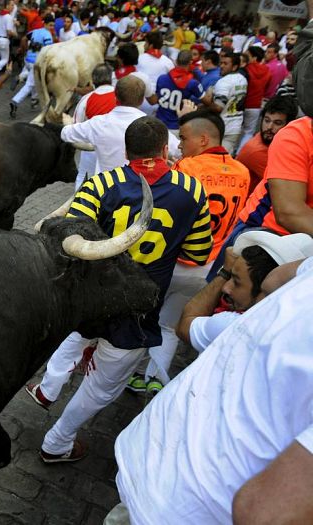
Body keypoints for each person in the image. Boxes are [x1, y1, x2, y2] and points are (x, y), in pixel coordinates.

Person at [37, 117, 211, 463]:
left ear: (126, 151)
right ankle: (57, 442)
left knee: (79, 335)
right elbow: (197, 253)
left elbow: (66, 240)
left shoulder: (101, 183)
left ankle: (48, 388)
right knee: (104, 385)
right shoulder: (193, 191)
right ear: (165, 149)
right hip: (138, 308)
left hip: (90, 299)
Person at [109, 255, 313, 525]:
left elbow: (187, 323)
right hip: (179, 501)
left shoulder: (237, 322)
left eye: (237, 283)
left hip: (142, 459)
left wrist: (223, 272)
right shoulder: (233, 322)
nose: (228, 290)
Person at [127, 109, 250, 394]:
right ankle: (153, 379)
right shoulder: (243, 172)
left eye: (183, 138)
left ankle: (128, 373)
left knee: (144, 318)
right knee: (170, 326)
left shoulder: (187, 169)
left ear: (204, 139)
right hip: (206, 266)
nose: (179, 145)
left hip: (171, 261)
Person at [176, 231, 313, 353]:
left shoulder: (232, 326)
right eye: (230, 278)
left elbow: (184, 326)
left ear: (265, 289)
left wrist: (224, 273)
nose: (226, 288)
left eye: (237, 282)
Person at [60, 75, 180, 175]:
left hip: (106, 191)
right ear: (142, 100)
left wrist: (67, 122)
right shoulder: (154, 126)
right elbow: (179, 150)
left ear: (115, 97)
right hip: (139, 192)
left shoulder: (98, 123)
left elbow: (66, 134)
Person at [67, 64, 116, 188]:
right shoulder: (120, 96)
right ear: (110, 78)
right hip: (115, 148)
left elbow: (76, 126)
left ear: (93, 81)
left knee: (83, 180)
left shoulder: (86, 99)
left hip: (90, 147)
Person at [237, 95, 298, 192]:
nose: (269, 127)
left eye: (277, 123)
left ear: (289, 126)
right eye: (267, 120)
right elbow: (289, 187)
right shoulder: (256, 151)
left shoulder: (271, 142)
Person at [199, 48, 247, 154]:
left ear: (234, 66)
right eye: (221, 63)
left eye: (226, 64)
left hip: (222, 127)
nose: (222, 66)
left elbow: (218, 107)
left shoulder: (223, 82)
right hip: (235, 126)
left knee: (213, 160)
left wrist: (204, 103)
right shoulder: (242, 79)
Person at [10, 14, 53, 119]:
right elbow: (49, 51)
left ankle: (34, 98)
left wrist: (24, 49)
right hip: (36, 62)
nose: (52, 27)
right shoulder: (48, 35)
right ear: (46, 24)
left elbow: (25, 38)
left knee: (34, 80)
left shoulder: (35, 31)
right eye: (51, 25)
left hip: (28, 59)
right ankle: (15, 101)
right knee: (30, 84)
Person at [153, 50, 204, 134]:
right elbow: (207, 101)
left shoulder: (161, 78)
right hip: (177, 127)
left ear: (176, 61)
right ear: (190, 62)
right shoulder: (192, 83)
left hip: (158, 124)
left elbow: (157, 98)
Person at [237, 46, 271, 152]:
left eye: (248, 55)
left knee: (235, 130)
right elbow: (267, 87)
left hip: (241, 104)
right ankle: (240, 153)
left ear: (254, 57)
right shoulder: (267, 70)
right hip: (255, 105)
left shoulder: (245, 69)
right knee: (248, 132)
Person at [0, 0, 16, 74]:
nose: (13, 7)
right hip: (4, 40)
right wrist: (15, 34)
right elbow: (8, 31)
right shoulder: (8, 17)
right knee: (5, 59)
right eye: (12, 5)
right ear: (7, 6)